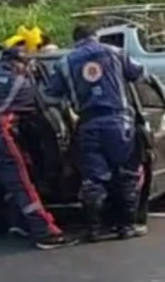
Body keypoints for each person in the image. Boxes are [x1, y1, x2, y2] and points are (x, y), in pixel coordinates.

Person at [0, 46, 77, 250]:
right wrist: (34, 77)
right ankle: (45, 232)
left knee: (13, 177)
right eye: (25, 64)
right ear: (17, 63)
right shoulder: (19, 84)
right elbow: (42, 103)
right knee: (22, 182)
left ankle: (19, 223)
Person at [45, 23, 147, 241]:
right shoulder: (115, 52)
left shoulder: (65, 62)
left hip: (88, 124)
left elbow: (50, 98)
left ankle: (92, 229)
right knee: (126, 176)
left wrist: (68, 111)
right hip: (119, 122)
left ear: (75, 40)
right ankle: (126, 227)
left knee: (93, 180)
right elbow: (140, 74)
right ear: (95, 36)